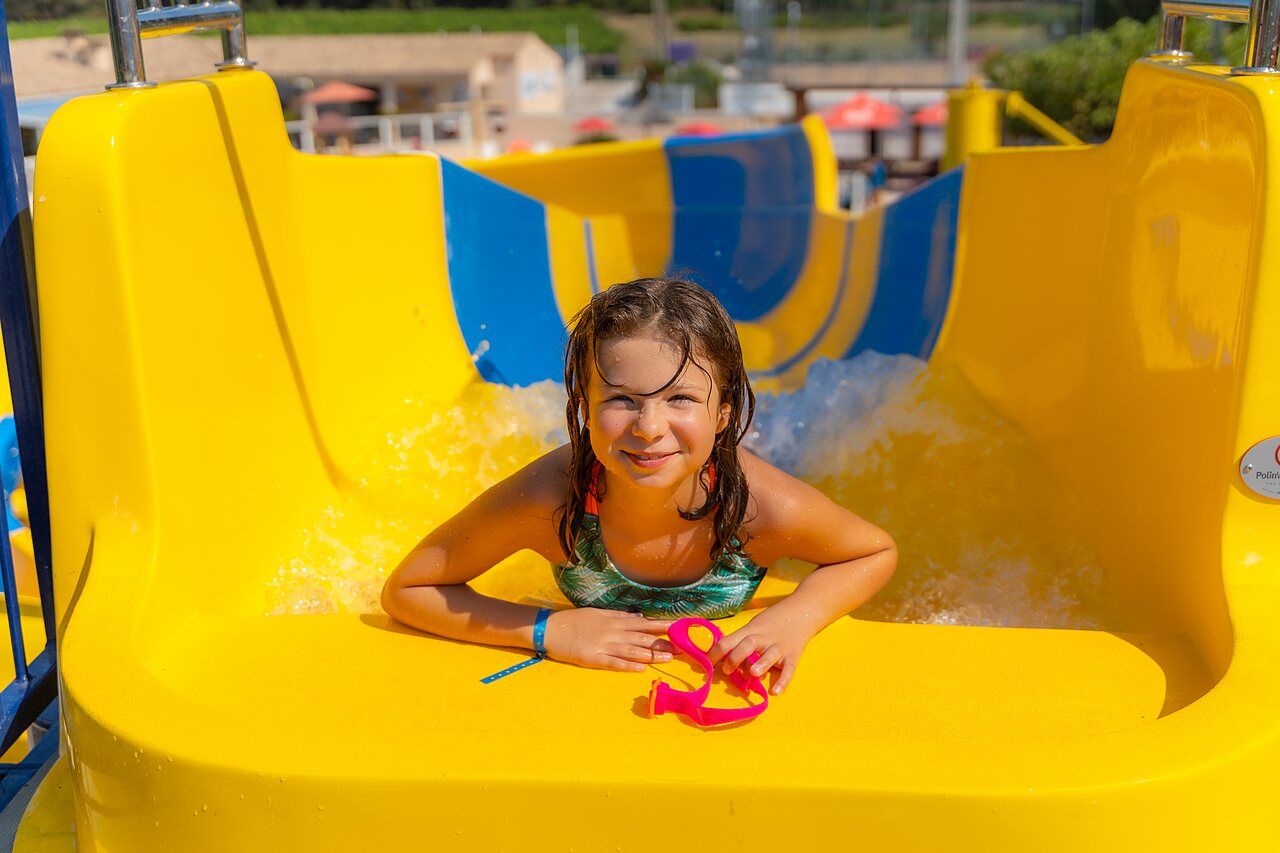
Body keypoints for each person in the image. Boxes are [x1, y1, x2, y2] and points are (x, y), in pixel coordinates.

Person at [382, 277, 896, 696]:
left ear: (723, 413)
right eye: (622, 399)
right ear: (584, 406)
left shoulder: (760, 509)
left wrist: (794, 619)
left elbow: (872, 552)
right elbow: (407, 589)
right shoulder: (550, 498)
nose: (648, 426)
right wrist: (546, 629)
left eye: (681, 399)